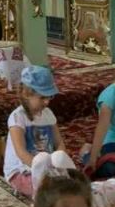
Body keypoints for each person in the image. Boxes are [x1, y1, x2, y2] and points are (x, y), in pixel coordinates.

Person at [5, 65, 78, 198]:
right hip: (22, 171)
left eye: (49, 97)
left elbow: (59, 144)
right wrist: (43, 170)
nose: (47, 102)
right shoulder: (17, 117)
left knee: (60, 160)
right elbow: (21, 152)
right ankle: (40, 197)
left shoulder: (48, 114)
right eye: (42, 97)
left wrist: (56, 165)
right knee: (52, 188)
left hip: (46, 168)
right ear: (26, 94)